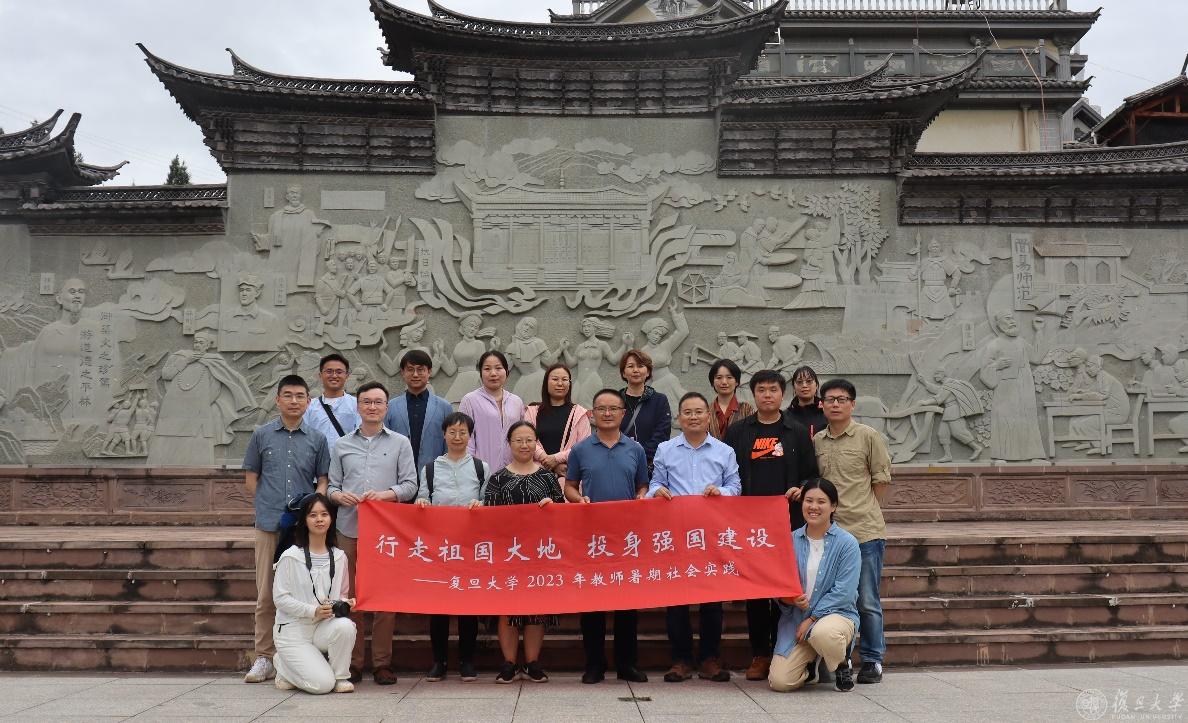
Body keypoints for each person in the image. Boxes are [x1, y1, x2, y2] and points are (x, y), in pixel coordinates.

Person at [724, 369, 819, 682]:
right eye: (761, 390)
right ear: (753, 394)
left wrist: (801, 487)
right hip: (749, 525)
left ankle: (784, 648)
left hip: (787, 524)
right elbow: (727, 474)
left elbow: (811, 473)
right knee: (755, 593)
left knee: (784, 590)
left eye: (773, 390)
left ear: (782, 394)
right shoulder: (738, 432)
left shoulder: (796, 431)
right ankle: (760, 654)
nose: (767, 395)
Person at [327, 381, 417, 685]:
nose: (372, 407)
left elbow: (410, 485)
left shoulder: (400, 443)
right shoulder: (342, 445)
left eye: (378, 402)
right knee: (350, 596)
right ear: (358, 406)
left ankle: (381, 663)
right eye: (367, 402)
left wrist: (385, 495)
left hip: (384, 533)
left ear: (386, 407)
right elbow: (331, 486)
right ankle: (353, 662)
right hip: (349, 528)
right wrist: (338, 497)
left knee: (384, 598)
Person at [242, 375, 331, 684]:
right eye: (288, 395)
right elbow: (251, 479)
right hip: (269, 524)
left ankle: (307, 654)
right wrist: (267, 503)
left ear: (309, 401)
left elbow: (322, 480)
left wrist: (313, 509)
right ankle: (264, 657)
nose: (294, 401)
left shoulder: (317, 439)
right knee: (266, 593)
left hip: (303, 529)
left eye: (300, 396)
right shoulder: (261, 435)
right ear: (277, 400)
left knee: (308, 591)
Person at [648, 392, 741, 683]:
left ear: (708, 416)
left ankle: (710, 659)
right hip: (676, 534)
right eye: (687, 412)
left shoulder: (724, 451)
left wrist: (720, 492)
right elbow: (655, 483)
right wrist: (657, 492)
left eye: (699, 412)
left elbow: (736, 486)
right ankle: (681, 659)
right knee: (676, 599)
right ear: (679, 418)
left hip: (711, 534)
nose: (693, 417)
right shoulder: (665, 449)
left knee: (712, 599)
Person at [562, 388, 650, 685]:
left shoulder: (635, 449)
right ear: (592, 414)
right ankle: (594, 665)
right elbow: (570, 486)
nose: (608, 413)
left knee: (627, 604)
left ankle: (627, 664)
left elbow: (643, 485)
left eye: (614, 408)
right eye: (602, 408)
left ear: (623, 413)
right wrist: (578, 499)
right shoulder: (581, 449)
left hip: (626, 538)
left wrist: (641, 496)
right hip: (592, 538)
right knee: (593, 603)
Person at [813, 378, 891, 685]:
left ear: (852, 404)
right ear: (822, 404)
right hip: (831, 534)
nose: (835, 404)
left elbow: (881, 480)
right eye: (830, 399)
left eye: (842, 399)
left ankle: (872, 660)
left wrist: (864, 508)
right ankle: (839, 659)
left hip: (864, 532)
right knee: (835, 598)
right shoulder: (817, 440)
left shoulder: (868, 436)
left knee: (867, 599)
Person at [483, 421, 565, 684]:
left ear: (536, 443)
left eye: (529, 440)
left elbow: (564, 515)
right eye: (518, 440)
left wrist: (553, 506)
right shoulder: (498, 478)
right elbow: (488, 518)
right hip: (508, 554)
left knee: (536, 609)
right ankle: (509, 663)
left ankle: (532, 663)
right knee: (507, 609)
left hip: (540, 554)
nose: (524, 445)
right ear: (509, 443)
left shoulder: (547, 477)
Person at [416, 412, 490, 683]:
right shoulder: (430, 468)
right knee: (439, 607)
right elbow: (422, 497)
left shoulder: (482, 467)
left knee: (468, 606)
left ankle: (467, 661)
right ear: (444, 434)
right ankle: (439, 661)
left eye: (463, 432)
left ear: (470, 436)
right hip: (440, 548)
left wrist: (481, 505)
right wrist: (422, 504)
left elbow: (487, 501)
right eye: (452, 432)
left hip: (470, 547)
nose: (457, 437)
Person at [768, 478, 859, 693]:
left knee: (822, 633)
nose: (814, 507)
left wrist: (812, 618)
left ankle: (841, 664)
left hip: (835, 616)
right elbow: (777, 585)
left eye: (821, 501)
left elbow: (844, 592)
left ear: (833, 506)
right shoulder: (789, 541)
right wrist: (789, 599)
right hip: (796, 620)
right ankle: (811, 668)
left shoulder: (847, 543)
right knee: (780, 682)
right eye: (809, 500)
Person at [272, 493, 357, 694]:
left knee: (346, 626)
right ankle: (282, 664)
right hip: (293, 630)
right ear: (303, 520)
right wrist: (313, 610)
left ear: (331, 519)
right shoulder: (290, 556)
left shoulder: (340, 557)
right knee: (322, 685)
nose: (319, 519)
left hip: (322, 627)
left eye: (324, 514)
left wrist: (345, 603)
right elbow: (280, 599)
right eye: (313, 515)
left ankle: (340, 677)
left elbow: (341, 593)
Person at [384, 349, 452, 473]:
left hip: (434, 475)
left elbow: (448, 445)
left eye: (420, 369)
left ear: (429, 372)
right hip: (398, 475)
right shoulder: (390, 407)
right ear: (402, 372)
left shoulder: (444, 407)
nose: (415, 374)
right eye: (410, 369)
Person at [460, 350, 525, 473]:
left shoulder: (516, 401)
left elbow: (523, 435)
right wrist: (471, 469)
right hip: (481, 472)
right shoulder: (470, 400)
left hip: (514, 472)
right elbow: (466, 439)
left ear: (507, 372)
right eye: (487, 369)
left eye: (498, 368)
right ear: (480, 373)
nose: (493, 373)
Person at [523, 363, 591, 480]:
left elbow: (584, 446)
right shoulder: (532, 412)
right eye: (555, 379)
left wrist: (556, 459)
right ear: (546, 383)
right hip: (536, 478)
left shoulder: (579, 413)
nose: (560, 383)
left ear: (569, 384)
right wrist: (550, 463)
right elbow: (527, 440)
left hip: (568, 477)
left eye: (564, 379)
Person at [618, 349, 672, 468]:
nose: (636, 370)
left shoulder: (659, 400)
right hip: (618, 463)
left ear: (648, 372)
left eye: (640, 366)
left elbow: (662, 434)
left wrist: (640, 456)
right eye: (630, 366)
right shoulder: (615, 400)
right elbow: (607, 431)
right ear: (623, 373)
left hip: (649, 466)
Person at [303, 353, 361, 452]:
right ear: (320, 375)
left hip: (347, 459)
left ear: (347, 375)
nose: (334, 375)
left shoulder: (357, 405)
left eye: (339, 372)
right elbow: (304, 437)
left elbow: (361, 436)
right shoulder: (309, 406)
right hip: (317, 460)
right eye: (329, 371)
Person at [707, 358, 755, 440]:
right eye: (719, 377)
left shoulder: (746, 409)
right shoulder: (706, 411)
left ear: (737, 382)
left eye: (729, 377)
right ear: (712, 382)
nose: (724, 382)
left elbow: (752, 437)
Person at [785, 365, 827, 438]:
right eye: (799, 382)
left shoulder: (827, 413)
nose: (804, 385)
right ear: (794, 387)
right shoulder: (785, 416)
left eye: (809, 381)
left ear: (817, 385)